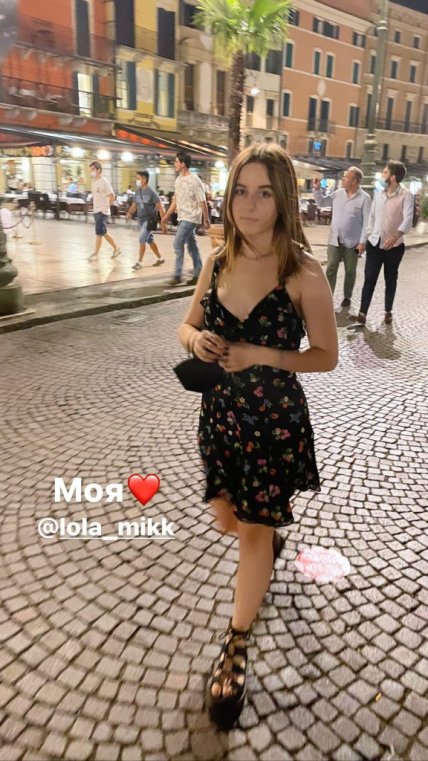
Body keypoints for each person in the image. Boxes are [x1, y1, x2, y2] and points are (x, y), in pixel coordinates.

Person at [177, 144, 338, 731]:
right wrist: (196, 341)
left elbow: (325, 356)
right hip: (220, 420)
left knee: (250, 532)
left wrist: (259, 355)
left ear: (282, 199)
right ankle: (264, 543)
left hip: (272, 426)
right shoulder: (218, 261)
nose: (249, 205)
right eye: (241, 191)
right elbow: (187, 324)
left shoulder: (303, 272)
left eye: (263, 192)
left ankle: (236, 646)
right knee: (228, 520)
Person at [354, 160, 414, 325]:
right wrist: (367, 237)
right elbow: (372, 217)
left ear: (393, 177)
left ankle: (388, 311)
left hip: (394, 247)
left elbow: (408, 219)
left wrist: (394, 237)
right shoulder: (379, 194)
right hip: (375, 244)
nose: (382, 175)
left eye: (385, 172)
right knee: (370, 278)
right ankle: (362, 313)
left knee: (390, 279)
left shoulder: (406, 195)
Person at [313, 167, 371, 307]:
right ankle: (327, 296)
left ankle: (347, 296)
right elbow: (322, 203)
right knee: (331, 268)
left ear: (354, 181)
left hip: (353, 243)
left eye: (346, 177)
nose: (343, 179)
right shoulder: (338, 194)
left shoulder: (365, 198)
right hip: (335, 240)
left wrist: (362, 242)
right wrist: (317, 189)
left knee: (350, 271)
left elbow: (367, 223)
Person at [162, 152, 210, 286]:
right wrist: (166, 215)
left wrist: (206, 219)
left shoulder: (195, 180)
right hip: (182, 217)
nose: (174, 164)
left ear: (183, 164)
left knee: (177, 243)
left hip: (191, 217)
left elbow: (202, 201)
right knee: (192, 246)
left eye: (176, 162)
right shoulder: (178, 180)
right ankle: (199, 273)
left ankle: (177, 275)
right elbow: (175, 200)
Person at [126, 170, 165, 270]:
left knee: (142, 239)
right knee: (149, 240)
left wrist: (163, 223)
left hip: (149, 220)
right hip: (141, 220)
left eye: (138, 178)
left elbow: (160, 208)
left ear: (144, 179)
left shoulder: (152, 192)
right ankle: (160, 258)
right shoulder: (137, 191)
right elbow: (134, 205)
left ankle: (139, 262)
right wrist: (129, 212)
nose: (137, 180)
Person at [88, 161, 120, 261]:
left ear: (99, 170)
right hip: (96, 210)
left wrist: (106, 207)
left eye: (93, 169)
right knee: (102, 233)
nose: (91, 172)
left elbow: (112, 196)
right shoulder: (94, 181)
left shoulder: (104, 182)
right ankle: (116, 248)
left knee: (99, 232)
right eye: (91, 170)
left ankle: (96, 253)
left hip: (102, 211)